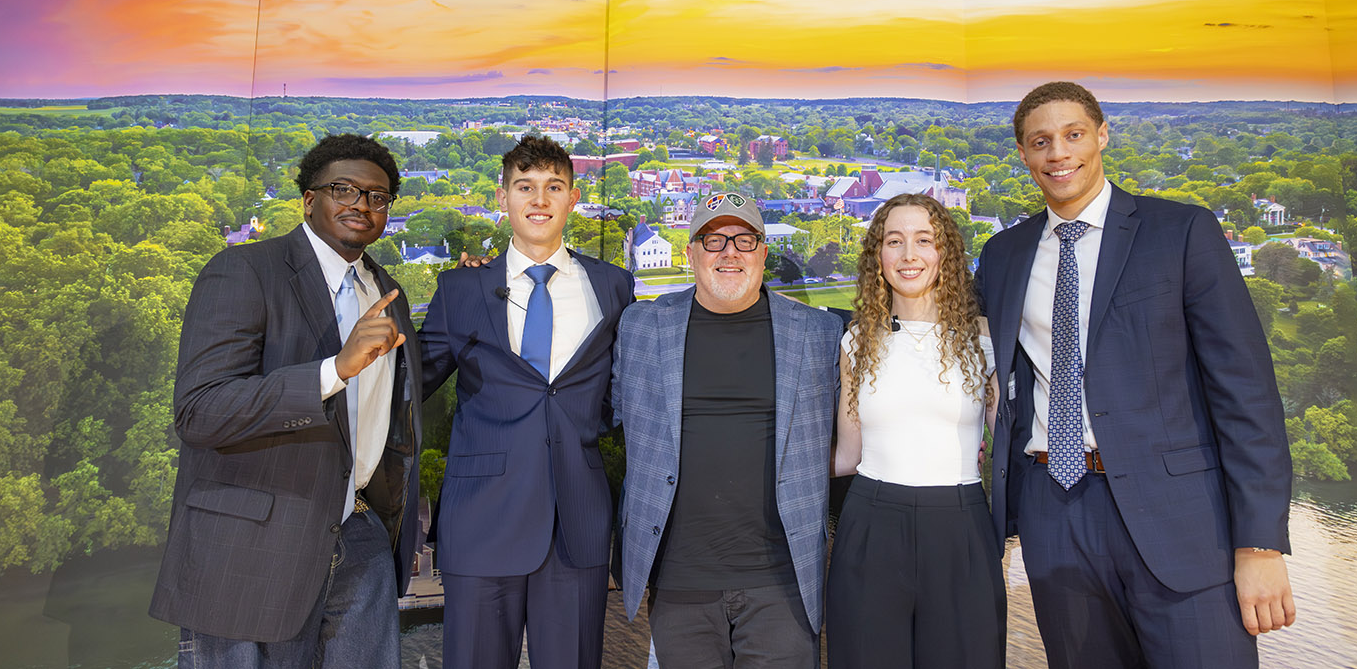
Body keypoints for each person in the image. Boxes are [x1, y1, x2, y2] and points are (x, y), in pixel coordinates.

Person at [979, 81, 1296, 669]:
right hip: (1055, 514)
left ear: (1102, 136)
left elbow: (1245, 394)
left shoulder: (1180, 233)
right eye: (1040, 141)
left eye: (1073, 135)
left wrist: (1260, 544)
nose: (1058, 154)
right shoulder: (1003, 256)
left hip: (1180, 519)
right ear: (1022, 154)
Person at [150, 133, 422, 669]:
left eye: (378, 196)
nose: (362, 205)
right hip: (251, 549)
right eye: (344, 190)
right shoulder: (244, 272)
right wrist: (333, 371)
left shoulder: (386, 290)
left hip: (360, 539)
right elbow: (200, 410)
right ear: (308, 200)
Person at [419, 133, 634, 669]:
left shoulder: (614, 286)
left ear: (573, 198)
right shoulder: (460, 291)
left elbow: (624, 390)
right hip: (481, 520)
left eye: (552, 186)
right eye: (525, 186)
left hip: (577, 521)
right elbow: (408, 383)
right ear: (502, 197)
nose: (539, 199)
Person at [613, 192, 842, 668]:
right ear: (691, 252)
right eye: (713, 240)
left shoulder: (818, 334)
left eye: (744, 239)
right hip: (679, 583)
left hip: (784, 584)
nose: (729, 252)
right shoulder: (640, 328)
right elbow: (594, 409)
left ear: (762, 252)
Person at [828, 193, 1006, 669]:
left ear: (945, 252)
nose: (909, 255)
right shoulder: (856, 341)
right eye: (895, 241)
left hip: (961, 525)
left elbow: (1006, 446)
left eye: (924, 240)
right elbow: (848, 454)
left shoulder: (984, 339)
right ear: (877, 257)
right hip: (870, 522)